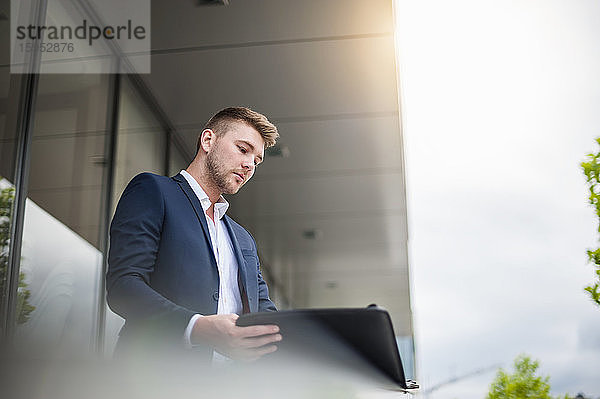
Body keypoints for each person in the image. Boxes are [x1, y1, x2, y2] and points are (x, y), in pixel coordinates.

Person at [106, 107, 281, 361]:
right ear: (208, 140)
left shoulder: (243, 238)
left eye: (256, 161)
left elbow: (266, 315)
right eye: (243, 150)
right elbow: (123, 286)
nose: (248, 165)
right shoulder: (154, 191)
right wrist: (198, 328)